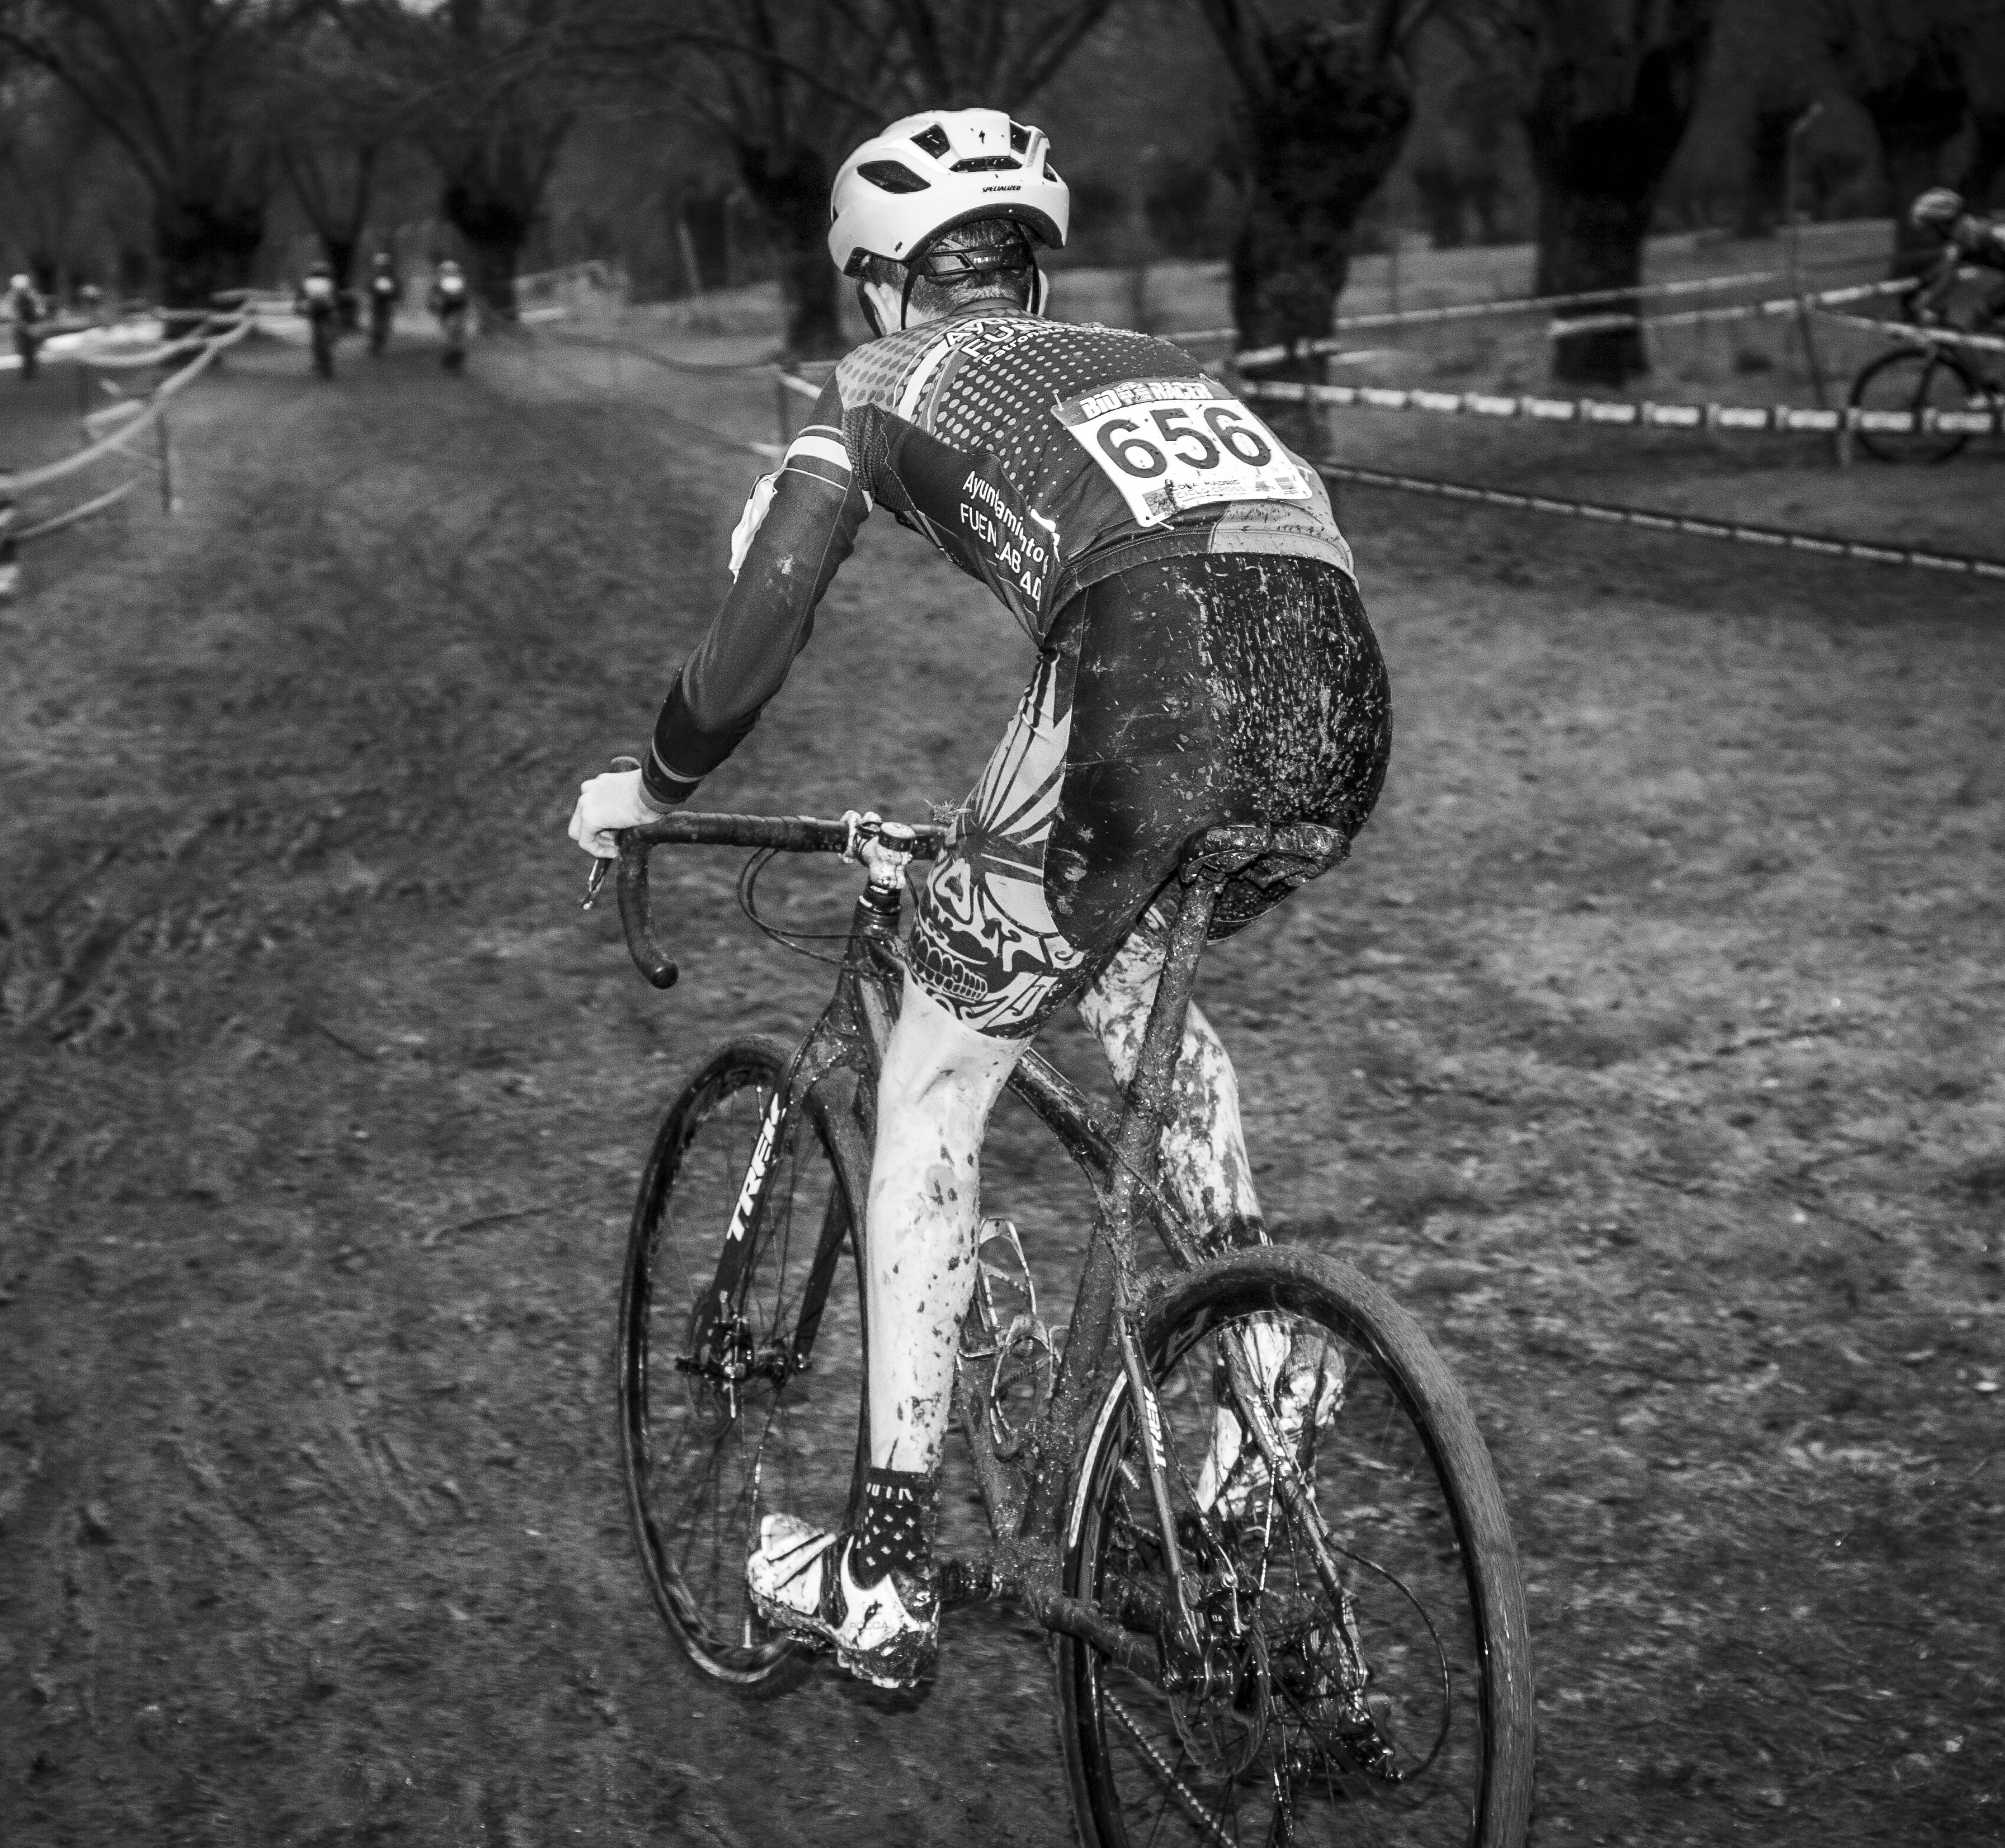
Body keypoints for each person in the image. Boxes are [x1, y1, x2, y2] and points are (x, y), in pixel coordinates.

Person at [564, 107, 1391, 1691]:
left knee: (936, 1085)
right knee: (1136, 978)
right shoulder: (1151, 362)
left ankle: (882, 1573)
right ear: (1030, 272)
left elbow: (768, 605)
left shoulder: (884, 375)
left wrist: (653, 786)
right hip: (1337, 703)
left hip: (1152, 693)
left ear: (882, 281)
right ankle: (1265, 1362)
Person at [1907, 187, 2005, 336]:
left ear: (1942, 224)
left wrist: (1923, 301)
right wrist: (1924, 280)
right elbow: (1944, 267)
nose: (1931, 235)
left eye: (1931, 228)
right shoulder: (1973, 226)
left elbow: (1946, 278)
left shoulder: (1963, 236)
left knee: (1979, 318)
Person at [0, 272, 44, 381]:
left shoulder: (32, 295)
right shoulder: (12, 297)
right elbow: (5, 312)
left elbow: (40, 311)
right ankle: (28, 370)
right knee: (24, 350)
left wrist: (32, 322)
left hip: (32, 327)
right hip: (20, 328)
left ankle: (30, 370)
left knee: (31, 351)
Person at [298, 260, 340, 378]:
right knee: (325, 336)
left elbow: (301, 298)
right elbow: (335, 297)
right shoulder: (330, 282)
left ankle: (318, 361)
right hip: (326, 312)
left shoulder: (307, 282)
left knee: (317, 336)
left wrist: (301, 307)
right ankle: (324, 361)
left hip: (315, 312)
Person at [427, 259, 469, 372]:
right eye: (447, 270)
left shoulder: (460, 281)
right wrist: (434, 305)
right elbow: (434, 296)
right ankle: (454, 354)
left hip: (457, 310)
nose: (450, 272)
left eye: (452, 270)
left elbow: (464, 296)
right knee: (450, 333)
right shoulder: (439, 282)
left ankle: (455, 355)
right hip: (447, 311)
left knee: (456, 333)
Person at [367, 251, 399, 355]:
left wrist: (394, 296)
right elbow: (369, 288)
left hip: (386, 304)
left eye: (384, 266)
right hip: (377, 303)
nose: (382, 268)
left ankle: (380, 342)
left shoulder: (391, 279)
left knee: (385, 323)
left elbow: (396, 291)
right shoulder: (374, 278)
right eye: (380, 266)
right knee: (376, 322)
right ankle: (375, 343)